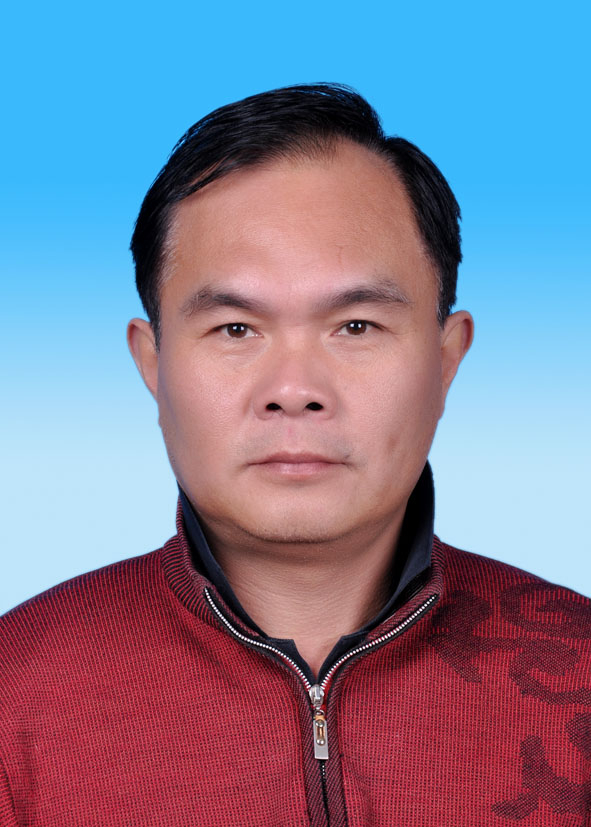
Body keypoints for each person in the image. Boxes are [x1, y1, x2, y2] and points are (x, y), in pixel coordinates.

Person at [1, 84, 590, 827]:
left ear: (446, 360)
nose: (293, 391)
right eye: (236, 329)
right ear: (152, 363)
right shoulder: (14, 698)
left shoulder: (578, 673)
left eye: (355, 326)